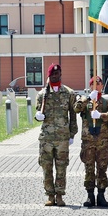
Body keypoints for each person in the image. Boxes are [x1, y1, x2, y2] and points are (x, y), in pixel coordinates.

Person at [35, 63, 77, 206]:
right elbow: (37, 112)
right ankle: (50, 195)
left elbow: (73, 114)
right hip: (46, 138)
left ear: (61, 74)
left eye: (57, 73)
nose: (55, 75)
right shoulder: (42, 94)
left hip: (62, 137)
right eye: (52, 74)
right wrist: (37, 116)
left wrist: (72, 134)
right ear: (48, 75)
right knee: (46, 167)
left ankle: (59, 195)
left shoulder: (68, 93)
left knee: (61, 167)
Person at [74, 75, 108, 207]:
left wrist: (101, 115)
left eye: (98, 84)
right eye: (93, 84)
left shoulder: (106, 103)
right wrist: (88, 98)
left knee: (102, 169)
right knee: (89, 169)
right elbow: (76, 108)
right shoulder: (85, 102)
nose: (96, 86)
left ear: (102, 86)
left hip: (102, 141)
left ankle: (101, 195)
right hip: (88, 142)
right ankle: (89, 196)